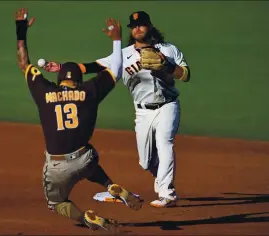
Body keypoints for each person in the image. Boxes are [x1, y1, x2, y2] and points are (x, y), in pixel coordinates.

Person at [44, 11, 191, 208]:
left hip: (167, 105)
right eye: (134, 26)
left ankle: (167, 193)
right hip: (142, 112)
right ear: (132, 30)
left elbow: (186, 74)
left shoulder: (168, 50)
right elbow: (94, 66)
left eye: (142, 25)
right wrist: (63, 67)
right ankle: (162, 178)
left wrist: (168, 66)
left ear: (149, 26)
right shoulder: (123, 55)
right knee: (146, 161)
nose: (138, 28)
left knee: (165, 142)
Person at [14, 8, 143, 231]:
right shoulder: (90, 91)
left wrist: (21, 32)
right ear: (80, 79)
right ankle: (110, 185)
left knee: (56, 203)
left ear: (59, 78)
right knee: (89, 164)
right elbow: (117, 70)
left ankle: (87, 219)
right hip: (85, 158)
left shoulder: (44, 92)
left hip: (57, 166)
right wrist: (117, 40)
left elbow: (24, 64)